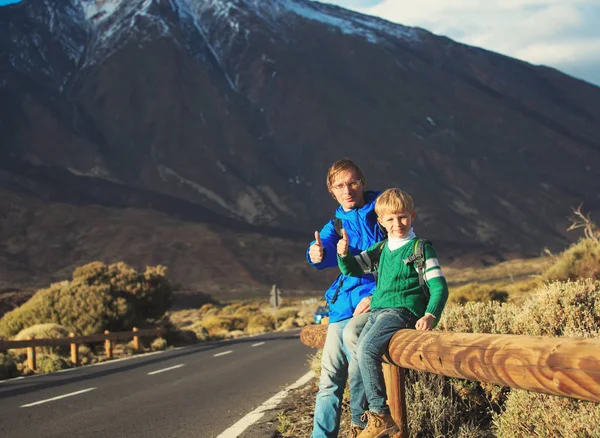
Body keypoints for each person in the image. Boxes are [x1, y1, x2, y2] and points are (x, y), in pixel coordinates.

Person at [336, 188, 449, 438]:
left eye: (402, 217)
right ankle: (360, 418)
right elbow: (354, 268)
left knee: (366, 349)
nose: (397, 224)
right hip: (379, 310)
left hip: (402, 311)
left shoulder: (421, 249)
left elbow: (439, 286)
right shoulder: (382, 249)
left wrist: (430, 314)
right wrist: (343, 254)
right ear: (381, 222)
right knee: (357, 347)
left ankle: (380, 415)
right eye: (390, 219)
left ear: (412, 215)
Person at [308, 159, 386, 438]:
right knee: (329, 381)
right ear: (332, 190)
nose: (348, 190)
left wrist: (378, 296)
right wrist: (315, 254)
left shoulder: (383, 212)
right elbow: (322, 250)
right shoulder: (336, 224)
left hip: (373, 302)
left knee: (358, 369)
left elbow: (400, 255)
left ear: (362, 182)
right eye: (340, 185)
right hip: (343, 308)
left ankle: (361, 427)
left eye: (352, 182)